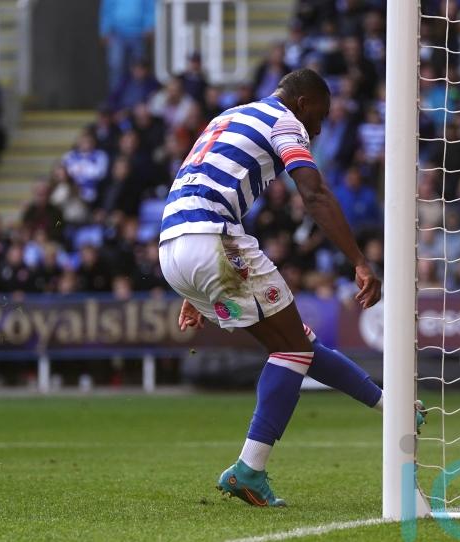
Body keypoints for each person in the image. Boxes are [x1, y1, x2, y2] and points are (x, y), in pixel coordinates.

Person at [159, 69, 424, 507]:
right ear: (302, 102)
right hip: (213, 241)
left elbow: (199, 182)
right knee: (292, 352)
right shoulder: (284, 121)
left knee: (297, 344)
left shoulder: (230, 115)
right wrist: (359, 260)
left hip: (173, 246)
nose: (318, 129)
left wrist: (192, 289)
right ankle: (249, 470)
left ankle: (391, 407)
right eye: (319, 116)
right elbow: (314, 194)